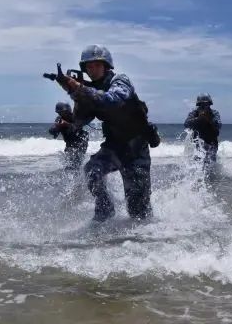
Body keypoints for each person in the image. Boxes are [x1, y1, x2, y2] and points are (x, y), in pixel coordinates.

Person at [53, 45, 157, 222]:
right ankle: (105, 212)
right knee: (92, 171)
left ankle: (147, 240)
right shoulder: (89, 90)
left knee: (138, 213)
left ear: (106, 65)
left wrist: (80, 89)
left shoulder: (120, 81)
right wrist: (74, 94)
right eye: (88, 67)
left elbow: (113, 100)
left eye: (96, 65)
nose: (91, 70)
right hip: (114, 146)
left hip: (136, 147)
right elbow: (80, 120)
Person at [184, 94, 221, 171]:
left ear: (209, 104)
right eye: (201, 105)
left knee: (211, 166)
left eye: (206, 104)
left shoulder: (214, 113)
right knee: (198, 166)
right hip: (198, 144)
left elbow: (219, 125)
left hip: (212, 143)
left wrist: (209, 119)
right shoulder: (194, 113)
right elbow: (186, 124)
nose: (204, 106)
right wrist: (199, 119)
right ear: (198, 105)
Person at [49, 101, 88, 171]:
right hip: (70, 144)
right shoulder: (59, 119)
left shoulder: (75, 117)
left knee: (76, 162)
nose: (61, 114)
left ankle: (79, 175)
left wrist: (67, 124)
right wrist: (56, 128)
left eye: (62, 112)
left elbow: (76, 128)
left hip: (81, 142)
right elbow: (52, 131)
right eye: (59, 113)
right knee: (69, 163)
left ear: (68, 110)